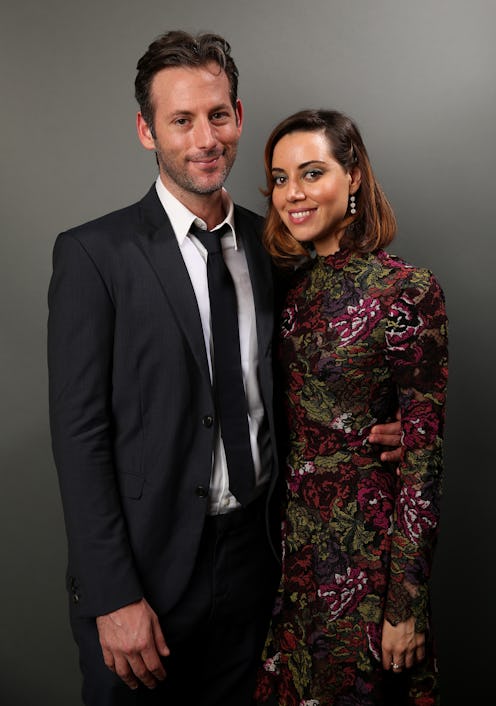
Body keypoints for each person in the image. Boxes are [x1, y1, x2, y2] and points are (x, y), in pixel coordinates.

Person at [48, 31, 401, 706]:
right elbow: (79, 437)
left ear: (238, 117)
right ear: (147, 131)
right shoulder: (95, 256)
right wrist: (113, 594)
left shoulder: (277, 249)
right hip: (145, 578)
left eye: (216, 115)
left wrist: (383, 432)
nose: (205, 138)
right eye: (181, 120)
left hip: (261, 563)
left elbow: (315, 377)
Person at [254, 110, 448, 705]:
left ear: (355, 174)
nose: (294, 194)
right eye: (281, 179)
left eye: (312, 173)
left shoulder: (406, 289)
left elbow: (423, 460)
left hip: (368, 561)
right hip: (292, 558)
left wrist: (405, 606)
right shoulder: (288, 294)